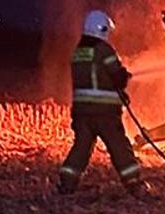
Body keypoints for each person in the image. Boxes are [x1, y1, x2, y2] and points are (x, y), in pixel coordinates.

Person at [57, 10, 148, 196]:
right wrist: (123, 76)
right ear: (103, 29)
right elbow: (116, 76)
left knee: (81, 148)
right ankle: (134, 184)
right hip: (104, 113)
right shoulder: (104, 50)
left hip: (82, 112)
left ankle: (67, 182)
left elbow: (94, 78)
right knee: (119, 148)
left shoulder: (78, 51)